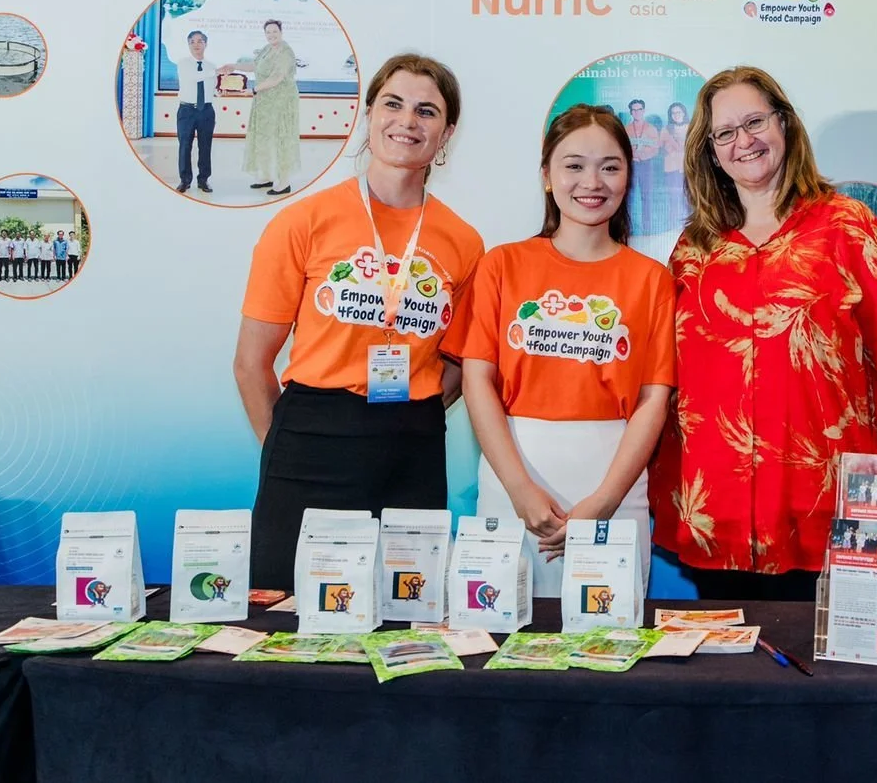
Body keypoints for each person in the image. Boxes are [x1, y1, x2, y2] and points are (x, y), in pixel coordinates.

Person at [651, 66, 877, 600]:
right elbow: (668, 381)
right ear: (710, 151)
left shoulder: (849, 227)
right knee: (727, 654)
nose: (743, 141)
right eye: (724, 133)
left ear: (784, 123)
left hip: (827, 512)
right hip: (718, 516)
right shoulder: (693, 249)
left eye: (755, 122)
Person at [234, 53, 484, 591]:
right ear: (370, 115)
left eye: (427, 111)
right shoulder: (303, 221)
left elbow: (460, 363)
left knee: (405, 610)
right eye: (393, 104)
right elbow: (251, 363)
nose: (407, 121)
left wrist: (408, 412)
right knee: (284, 608)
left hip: (411, 447)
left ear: (447, 134)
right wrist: (283, 446)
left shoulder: (464, 242)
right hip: (310, 440)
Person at [451, 104, 675, 596]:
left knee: (609, 633)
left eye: (610, 167)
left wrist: (605, 501)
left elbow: (653, 399)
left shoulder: (652, 280)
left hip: (614, 485)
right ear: (547, 176)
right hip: (513, 478)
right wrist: (520, 490)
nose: (592, 182)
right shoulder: (502, 265)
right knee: (504, 626)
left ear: (628, 178)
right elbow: (476, 380)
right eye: (574, 165)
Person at [224, 19, 301, 197]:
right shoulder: (267, 49)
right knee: (264, 139)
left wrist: (253, 90)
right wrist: (234, 66)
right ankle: (266, 176)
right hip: (265, 102)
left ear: (281, 32)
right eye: (268, 32)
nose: (271, 35)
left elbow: (277, 77)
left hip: (281, 103)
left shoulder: (285, 52)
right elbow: (255, 66)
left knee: (281, 140)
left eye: (275, 31)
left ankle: (284, 183)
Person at [174, 29, 220, 194]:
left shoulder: (211, 66)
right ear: (188, 45)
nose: (196, 44)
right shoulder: (183, 63)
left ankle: (203, 180)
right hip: (186, 110)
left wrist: (220, 91)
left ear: (206, 44)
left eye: (200, 41)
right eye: (192, 41)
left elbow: (211, 87)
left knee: (205, 146)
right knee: (185, 145)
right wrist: (215, 72)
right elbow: (194, 77)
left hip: (206, 110)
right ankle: (185, 180)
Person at [625, 99, 662, 235]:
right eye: (634, 110)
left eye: (639, 109)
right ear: (631, 112)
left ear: (644, 111)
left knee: (646, 197)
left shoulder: (651, 129)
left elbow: (655, 148)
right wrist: (633, 156)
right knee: (629, 198)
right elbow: (623, 147)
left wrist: (641, 156)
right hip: (631, 165)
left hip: (646, 165)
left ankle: (647, 229)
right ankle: (628, 229)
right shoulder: (626, 129)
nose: (637, 112)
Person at [661, 101, 689, 229]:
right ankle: (673, 226)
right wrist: (669, 147)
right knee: (673, 198)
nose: (676, 115)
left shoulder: (691, 127)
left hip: (688, 168)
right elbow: (660, 148)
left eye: (678, 112)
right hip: (671, 167)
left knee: (689, 197)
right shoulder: (666, 129)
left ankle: (690, 226)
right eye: (673, 113)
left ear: (684, 113)